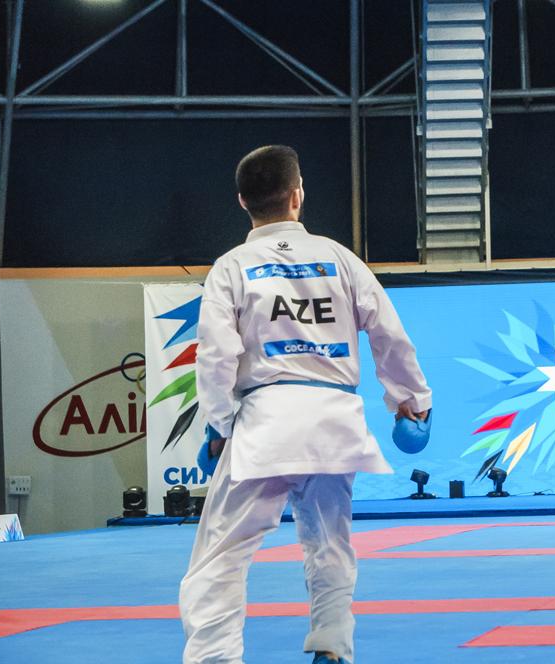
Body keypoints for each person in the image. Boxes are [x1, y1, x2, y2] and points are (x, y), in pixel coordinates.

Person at [179, 145, 431, 664]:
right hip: (333, 421)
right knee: (330, 542)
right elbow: (389, 334)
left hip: (265, 423)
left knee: (221, 556)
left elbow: (216, 356)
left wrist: (220, 425)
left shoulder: (232, 266)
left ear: (242, 201)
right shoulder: (340, 258)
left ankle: (215, 658)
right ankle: (333, 647)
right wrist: (412, 402)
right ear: (297, 195)